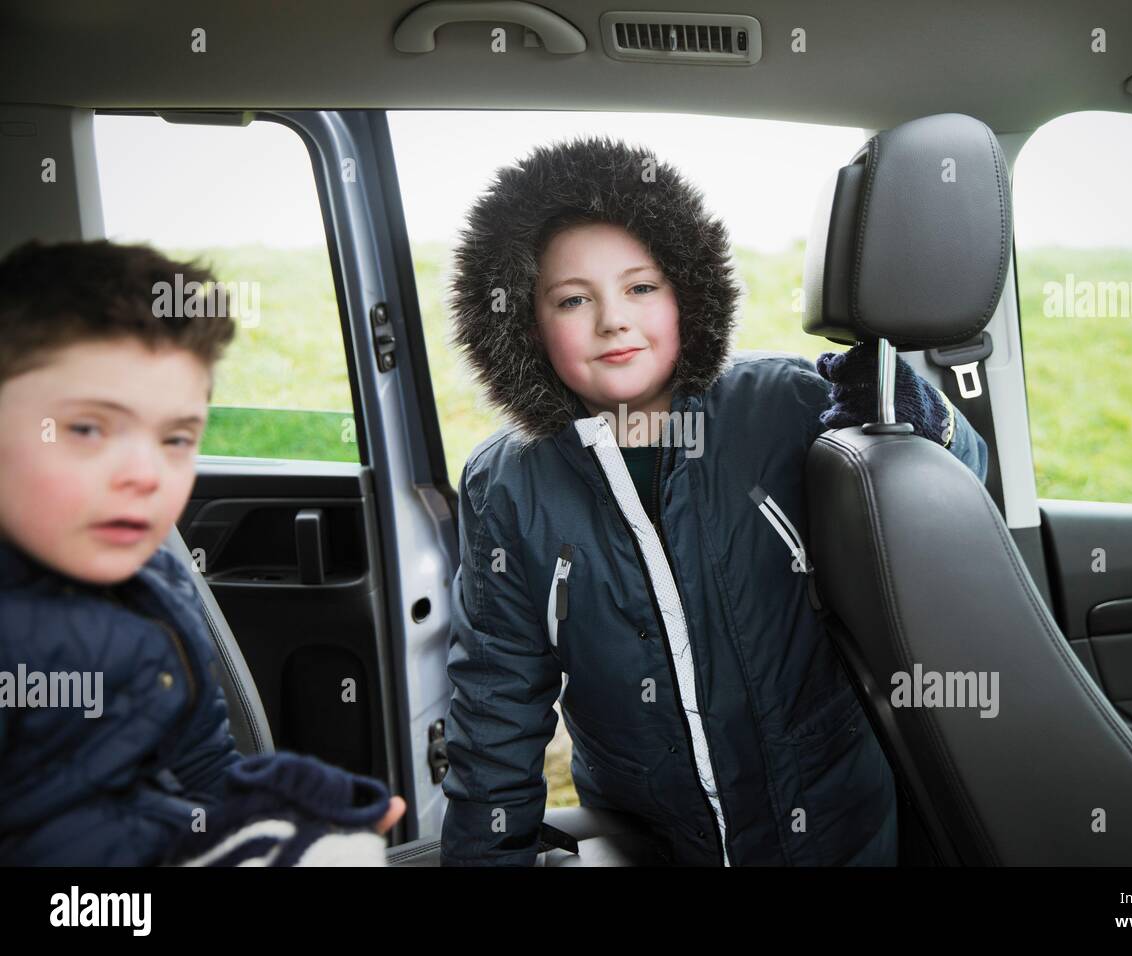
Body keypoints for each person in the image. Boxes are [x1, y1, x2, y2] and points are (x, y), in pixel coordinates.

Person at [438, 134, 989, 866]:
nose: (613, 321)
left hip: (831, 824)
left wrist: (929, 423)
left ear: (687, 294)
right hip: (655, 835)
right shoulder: (509, 485)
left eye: (641, 287)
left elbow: (957, 497)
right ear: (524, 325)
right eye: (573, 300)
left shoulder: (789, 404)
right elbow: (496, 699)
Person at [0, 239, 404, 865]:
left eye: (177, 437)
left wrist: (270, 807)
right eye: (87, 428)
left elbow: (198, 763)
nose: (146, 473)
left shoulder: (157, 576)